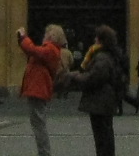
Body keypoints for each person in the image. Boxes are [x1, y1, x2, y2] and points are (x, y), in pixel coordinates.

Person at [76, 24, 126, 156]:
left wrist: (77, 77)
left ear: (101, 40)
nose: (94, 40)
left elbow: (95, 77)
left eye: (96, 37)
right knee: (105, 136)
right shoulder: (110, 55)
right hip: (106, 101)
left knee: (102, 138)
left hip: (100, 102)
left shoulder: (102, 57)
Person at [18, 25, 65, 156]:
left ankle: (44, 153)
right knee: (38, 123)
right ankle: (44, 152)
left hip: (38, 90)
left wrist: (23, 37)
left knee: (39, 124)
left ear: (51, 36)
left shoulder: (50, 49)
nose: (44, 36)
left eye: (46, 33)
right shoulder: (51, 49)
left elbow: (32, 50)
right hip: (38, 89)